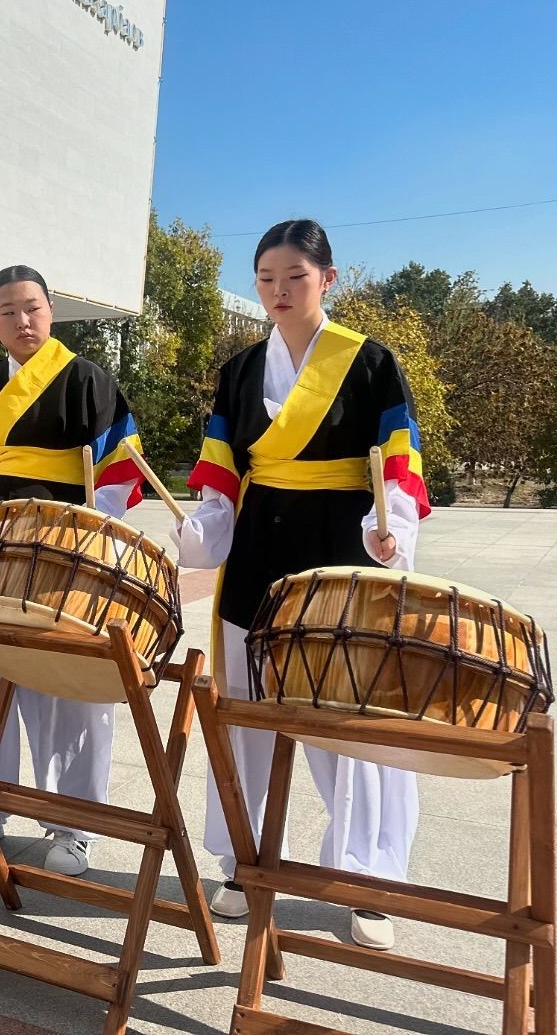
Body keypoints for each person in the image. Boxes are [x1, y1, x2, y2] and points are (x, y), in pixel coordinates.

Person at [179, 218, 431, 952]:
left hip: (340, 548)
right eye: (266, 278)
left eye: (295, 276)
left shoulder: (371, 362)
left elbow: (399, 466)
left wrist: (391, 531)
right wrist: (205, 526)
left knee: (348, 719)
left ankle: (368, 876)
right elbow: (221, 472)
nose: (279, 291)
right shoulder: (238, 371)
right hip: (259, 548)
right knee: (249, 712)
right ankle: (245, 860)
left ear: (328, 278)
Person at [0, 265, 142, 876]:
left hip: (62, 556)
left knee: (68, 690)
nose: (23, 321)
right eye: (8, 311)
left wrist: (95, 529)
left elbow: (121, 470)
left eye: (33, 308)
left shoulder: (87, 380)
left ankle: (76, 824)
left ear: (51, 311)